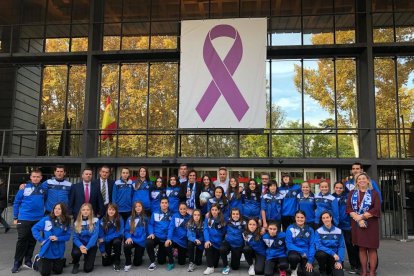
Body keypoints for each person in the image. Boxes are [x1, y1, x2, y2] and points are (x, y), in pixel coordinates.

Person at [12, 169, 46, 273]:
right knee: (22, 239)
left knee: (32, 240)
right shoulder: (23, 188)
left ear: (41, 178)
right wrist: (15, 217)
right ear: (30, 177)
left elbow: (45, 200)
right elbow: (16, 203)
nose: (36, 178)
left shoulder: (44, 188)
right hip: (24, 218)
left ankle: (28, 260)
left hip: (38, 219)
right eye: (34, 176)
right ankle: (17, 262)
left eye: (38, 177)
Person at [346, 173, 381, 276]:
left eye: (363, 178)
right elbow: (348, 207)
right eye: (359, 179)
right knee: (361, 248)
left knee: (372, 248)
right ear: (357, 182)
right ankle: (364, 272)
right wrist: (358, 219)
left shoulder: (374, 193)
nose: (361, 180)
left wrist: (361, 217)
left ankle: (372, 272)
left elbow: (377, 209)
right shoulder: (352, 193)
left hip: (371, 224)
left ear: (368, 180)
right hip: (357, 224)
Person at [31, 202, 71, 276]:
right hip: (48, 249)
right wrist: (41, 240)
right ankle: (38, 259)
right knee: (45, 273)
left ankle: (53, 263)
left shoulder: (67, 221)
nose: (56, 210)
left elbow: (68, 237)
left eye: (59, 209)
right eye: (55, 208)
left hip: (59, 249)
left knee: (58, 271)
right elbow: (34, 228)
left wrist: (57, 238)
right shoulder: (46, 219)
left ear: (64, 211)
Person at [332, 181, 359, 274]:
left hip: (347, 224)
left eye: (340, 188)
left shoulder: (348, 197)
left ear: (343, 189)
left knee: (350, 245)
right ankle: (339, 264)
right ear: (334, 188)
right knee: (337, 245)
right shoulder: (331, 197)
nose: (338, 189)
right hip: (336, 225)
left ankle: (354, 265)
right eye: (337, 187)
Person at [314, 211, 345, 276]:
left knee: (340, 275)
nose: (326, 219)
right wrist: (332, 253)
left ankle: (330, 269)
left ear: (331, 218)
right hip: (325, 254)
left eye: (327, 217)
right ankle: (322, 270)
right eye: (323, 218)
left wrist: (339, 261)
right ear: (322, 220)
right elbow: (318, 246)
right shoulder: (318, 231)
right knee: (320, 255)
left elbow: (341, 246)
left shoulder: (338, 231)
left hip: (335, 257)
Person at [71, 203, 99, 274]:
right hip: (81, 245)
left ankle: (87, 257)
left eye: (87, 210)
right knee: (75, 253)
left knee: (88, 269)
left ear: (91, 211)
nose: (85, 211)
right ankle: (76, 263)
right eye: (83, 210)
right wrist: (81, 246)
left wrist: (87, 247)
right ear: (81, 211)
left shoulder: (95, 221)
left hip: (91, 245)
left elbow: (94, 236)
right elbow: (75, 238)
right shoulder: (76, 223)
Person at [285, 210, 315, 276]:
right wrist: (302, 251)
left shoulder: (310, 229)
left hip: (306, 254)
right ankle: (293, 268)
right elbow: (289, 244)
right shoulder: (290, 228)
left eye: (302, 217)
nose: (300, 219)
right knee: (293, 257)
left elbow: (312, 245)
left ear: (305, 218)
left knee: (310, 275)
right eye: (298, 217)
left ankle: (301, 265)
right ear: (295, 218)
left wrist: (310, 260)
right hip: (294, 252)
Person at [146, 198, 172, 271]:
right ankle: (152, 262)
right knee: (148, 242)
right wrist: (151, 233)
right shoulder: (155, 213)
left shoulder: (172, 214)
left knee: (161, 261)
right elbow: (150, 224)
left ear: (168, 204)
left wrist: (169, 238)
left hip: (165, 239)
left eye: (166, 203)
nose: (164, 204)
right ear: (160, 204)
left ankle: (159, 252)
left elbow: (172, 227)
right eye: (162, 202)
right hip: (156, 236)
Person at [98, 203, 124, 271]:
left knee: (117, 242)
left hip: (116, 239)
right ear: (107, 210)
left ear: (116, 211)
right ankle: (113, 255)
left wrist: (105, 238)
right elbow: (101, 238)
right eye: (109, 209)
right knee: (105, 263)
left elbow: (120, 233)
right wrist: (102, 251)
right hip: (107, 241)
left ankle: (117, 262)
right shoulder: (102, 221)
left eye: (113, 210)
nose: (111, 211)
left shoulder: (119, 218)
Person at [165, 203, 191, 270]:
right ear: (178, 209)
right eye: (181, 209)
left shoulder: (190, 217)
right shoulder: (175, 216)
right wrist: (169, 238)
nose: (182, 210)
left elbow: (190, 230)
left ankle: (178, 252)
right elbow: (171, 227)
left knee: (182, 263)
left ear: (187, 209)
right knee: (168, 244)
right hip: (175, 239)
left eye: (184, 209)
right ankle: (171, 262)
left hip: (183, 241)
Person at [220, 208, 246, 274]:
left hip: (238, 245)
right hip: (228, 242)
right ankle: (225, 266)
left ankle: (234, 257)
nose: (235, 215)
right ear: (231, 215)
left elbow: (246, 234)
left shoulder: (244, 223)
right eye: (233, 214)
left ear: (240, 215)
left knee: (235, 267)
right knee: (222, 249)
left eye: (237, 214)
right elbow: (223, 231)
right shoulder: (227, 221)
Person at [203, 204, 227, 275]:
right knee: (207, 246)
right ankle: (210, 267)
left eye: (216, 210)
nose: (214, 212)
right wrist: (207, 240)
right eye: (212, 210)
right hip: (210, 242)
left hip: (218, 244)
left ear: (219, 211)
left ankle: (213, 263)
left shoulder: (223, 219)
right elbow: (205, 229)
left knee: (215, 264)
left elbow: (224, 232)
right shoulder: (208, 218)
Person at [124, 201, 148, 271]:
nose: (138, 208)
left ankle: (139, 254)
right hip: (132, 239)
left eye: (139, 206)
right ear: (134, 208)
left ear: (142, 207)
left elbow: (147, 230)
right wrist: (128, 237)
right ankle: (128, 263)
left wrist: (144, 239)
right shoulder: (130, 218)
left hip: (141, 241)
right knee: (126, 245)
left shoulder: (145, 218)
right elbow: (126, 230)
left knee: (137, 263)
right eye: (136, 206)